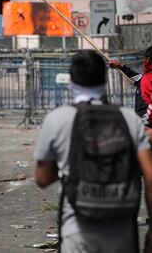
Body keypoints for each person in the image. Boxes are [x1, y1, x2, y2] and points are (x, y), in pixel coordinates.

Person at [34, 50, 152, 253]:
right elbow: (150, 176)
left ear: (71, 80)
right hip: (122, 230)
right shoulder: (130, 119)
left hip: (76, 232)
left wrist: (69, 166)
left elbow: (42, 178)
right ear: (104, 79)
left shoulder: (57, 119)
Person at [109, 46, 152, 123]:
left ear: (148, 60)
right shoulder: (144, 79)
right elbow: (134, 76)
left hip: (146, 120)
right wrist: (120, 66)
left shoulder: (147, 79)